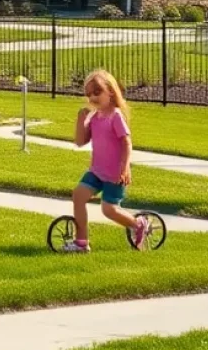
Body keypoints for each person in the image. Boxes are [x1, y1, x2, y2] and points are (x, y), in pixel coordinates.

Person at [62, 69, 149, 253]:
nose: (93, 98)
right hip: (96, 171)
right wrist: (80, 120)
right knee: (78, 195)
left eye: (97, 92)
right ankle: (81, 242)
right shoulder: (94, 118)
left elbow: (127, 143)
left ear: (110, 91)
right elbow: (80, 142)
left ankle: (137, 224)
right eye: (89, 95)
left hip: (114, 174)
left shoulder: (115, 116)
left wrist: (124, 168)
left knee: (108, 210)